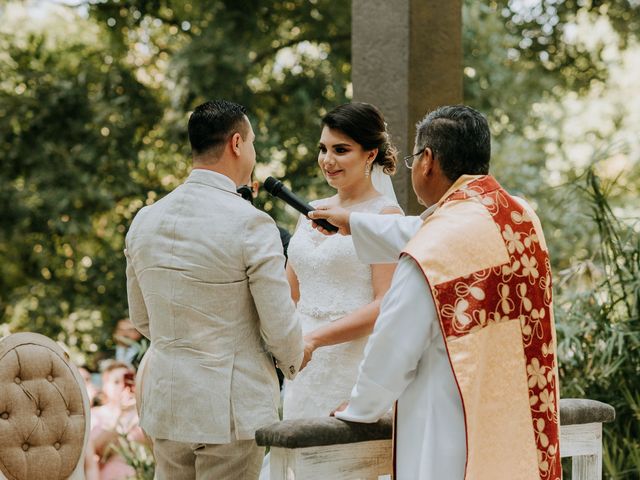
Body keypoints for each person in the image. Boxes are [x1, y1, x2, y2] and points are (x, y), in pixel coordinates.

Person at [310, 105, 561, 479]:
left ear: (427, 160)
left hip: (451, 425)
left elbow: (395, 343)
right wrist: (356, 223)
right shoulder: (517, 216)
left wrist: (360, 407)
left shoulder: (433, 249)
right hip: (517, 417)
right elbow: (439, 232)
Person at [124, 99, 304, 480]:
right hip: (232, 408)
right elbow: (278, 323)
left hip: (167, 400)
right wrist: (294, 360)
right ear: (237, 143)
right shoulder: (252, 223)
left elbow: (141, 317)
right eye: (252, 141)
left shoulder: (145, 221)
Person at [282, 102, 403, 420]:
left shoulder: (384, 217)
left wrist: (315, 340)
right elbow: (289, 293)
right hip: (302, 363)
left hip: (351, 362)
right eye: (323, 149)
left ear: (370, 154)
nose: (327, 160)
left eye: (341, 149)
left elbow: (385, 303)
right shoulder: (312, 209)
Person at [90, 361, 145, 480]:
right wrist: (120, 414)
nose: (122, 386)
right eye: (116, 382)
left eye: (127, 381)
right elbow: (95, 451)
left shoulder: (142, 414)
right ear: (105, 386)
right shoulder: (95, 414)